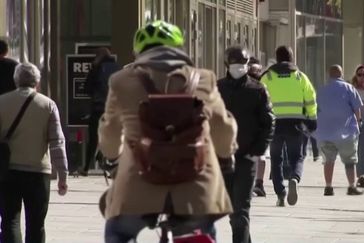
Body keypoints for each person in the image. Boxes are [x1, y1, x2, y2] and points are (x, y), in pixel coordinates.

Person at [99, 21, 238, 243]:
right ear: (179, 49)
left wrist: (111, 155)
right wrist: (225, 154)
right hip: (195, 184)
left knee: (119, 232)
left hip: (140, 182)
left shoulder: (121, 81)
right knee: (202, 231)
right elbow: (223, 125)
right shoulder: (204, 78)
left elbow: (110, 130)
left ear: (139, 51)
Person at [0, 62, 68, 243]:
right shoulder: (48, 105)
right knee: (36, 224)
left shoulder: (2, 102)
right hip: (38, 173)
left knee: (9, 221)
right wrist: (62, 175)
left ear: (16, 80)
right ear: (37, 82)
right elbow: (57, 143)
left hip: (8, 172)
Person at [217, 47, 275, 243]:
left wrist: (257, 151)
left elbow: (268, 122)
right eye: (234, 65)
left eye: (242, 65)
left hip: (246, 158)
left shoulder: (257, 90)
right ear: (226, 65)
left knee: (241, 210)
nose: (238, 69)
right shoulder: (217, 89)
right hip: (223, 159)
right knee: (234, 213)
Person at [261, 46, 317, 207]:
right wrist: (312, 120)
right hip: (295, 124)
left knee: (276, 159)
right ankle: (294, 178)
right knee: (297, 157)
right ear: (292, 58)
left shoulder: (268, 77)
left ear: (277, 58)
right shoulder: (300, 77)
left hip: (274, 124)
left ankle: (280, 193)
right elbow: (311, 99)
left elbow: (259, 98)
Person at [315, 65, 364, 196]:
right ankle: (351, 186)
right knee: (349, 160)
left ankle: (328, 187)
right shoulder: (349, 88)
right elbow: (357, 108)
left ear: (329, 75)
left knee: (328, 160)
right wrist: (359, 122)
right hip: (346, 132)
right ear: (341, 74)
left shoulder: (322, 90)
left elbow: (315, 108)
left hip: (325, 132)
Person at [79, 48, 120, 176]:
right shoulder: (118, 68)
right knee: (115, 137)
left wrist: (93, 68)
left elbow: (87, 88)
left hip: (99, 107)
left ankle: (86, 167)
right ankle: (113, 165)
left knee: (93, 138)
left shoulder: (97, 68)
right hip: (115, 109)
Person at [247, 56, 268, 197]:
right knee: (261, 155)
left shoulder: (241, 85)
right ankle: (258, 183)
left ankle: (256, 183)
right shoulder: (263, 87)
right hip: (258, 125)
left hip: (247, 125)